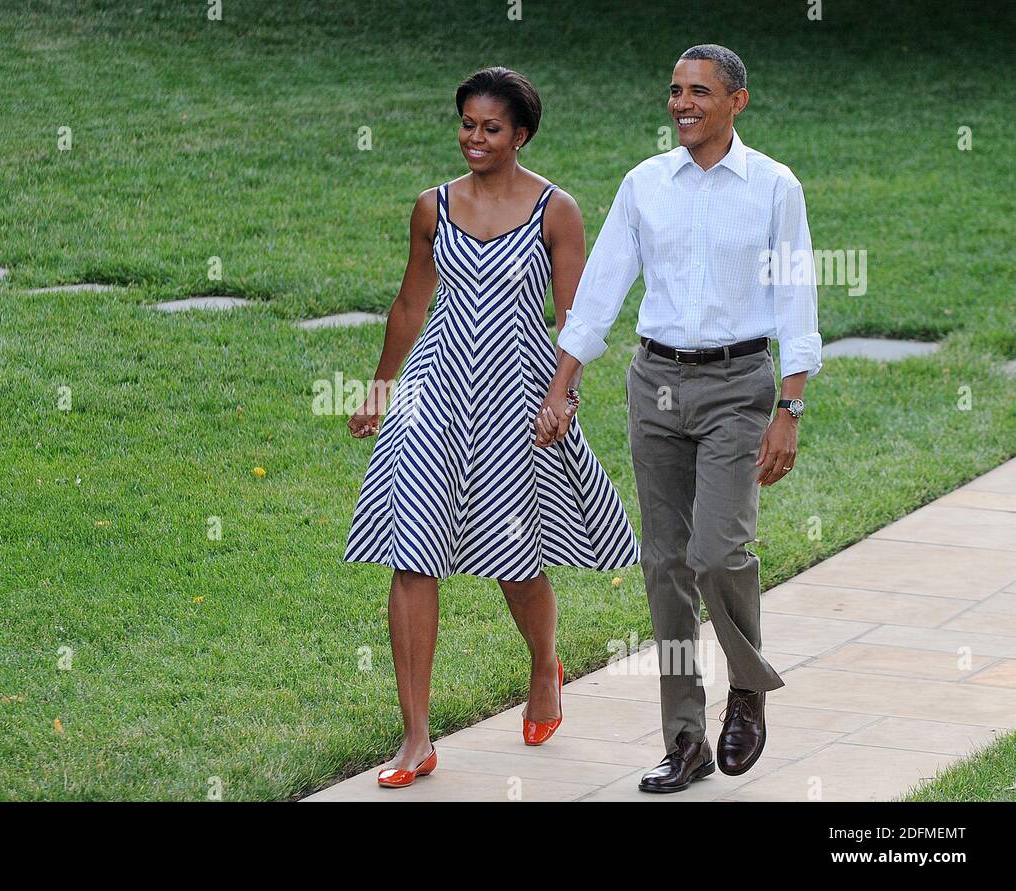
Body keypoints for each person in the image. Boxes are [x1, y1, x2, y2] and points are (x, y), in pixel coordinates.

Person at [343, 66, 639, 789]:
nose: (475, 138)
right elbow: (411, 304)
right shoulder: (432, 207)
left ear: (522, 134)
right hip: (433, 390)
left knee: (515, 560)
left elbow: (577, 319)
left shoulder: (554, 210)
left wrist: (563, 395)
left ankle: (545, 664)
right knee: (412, 552)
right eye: (468, 125)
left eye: (491, 128)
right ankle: (417, 735)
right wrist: (381, 386)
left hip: (519, 393)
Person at [537, 45, 822, 793]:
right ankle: (685, 738)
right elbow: (599, 293)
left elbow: (797, 302)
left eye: (699, 90)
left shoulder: (773, 187)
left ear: (738, 101)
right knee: (665, 566)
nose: (681, 102)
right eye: (674, 90)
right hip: (655, 381)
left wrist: (789, 407)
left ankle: (749, 687)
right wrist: (563, 384)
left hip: (738, 383)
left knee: (718, 550)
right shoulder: (645, 185)